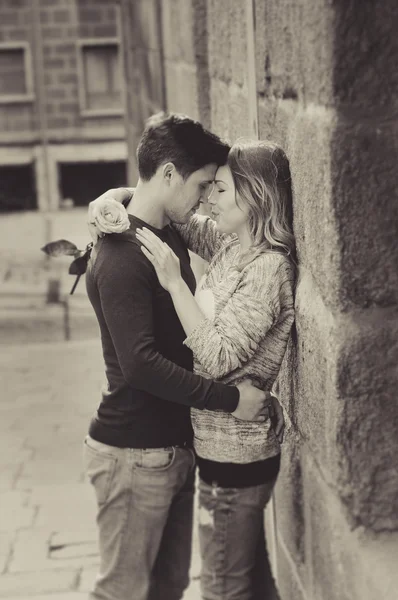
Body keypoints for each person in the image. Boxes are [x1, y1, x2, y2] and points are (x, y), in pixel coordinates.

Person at [84, 113, 275, 600]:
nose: (205, 199)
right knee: (121, 592)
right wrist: (232, 400)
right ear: (169, 174)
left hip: (174, 448)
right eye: (202, 184)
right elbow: (141, 364)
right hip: (134, 452)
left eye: (217, 187)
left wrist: (117, 197)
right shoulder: (122, 256)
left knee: (166, 588)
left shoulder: (165, 231)